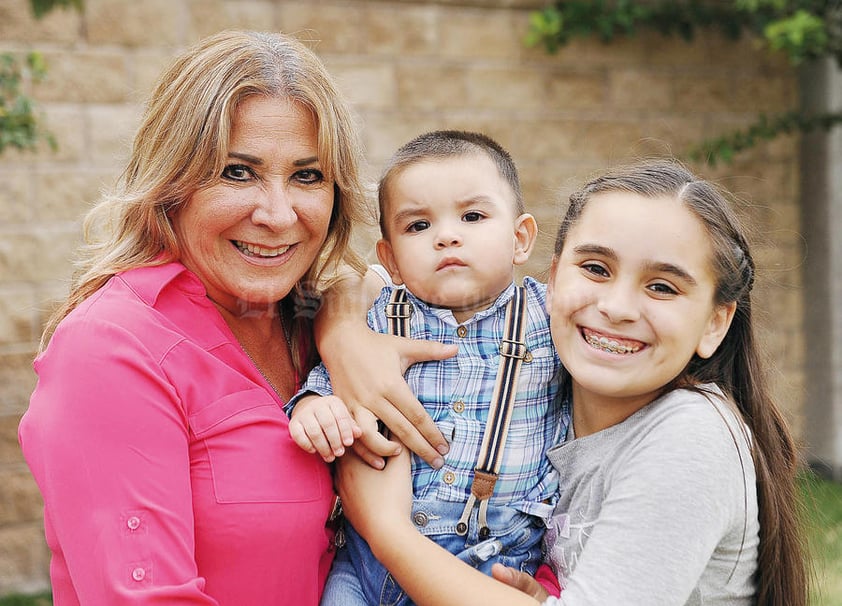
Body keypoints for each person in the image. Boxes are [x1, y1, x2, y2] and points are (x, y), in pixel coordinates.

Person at [17, 30, 453, 605]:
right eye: (237, 172)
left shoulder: (315, 319)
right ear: (172, 184)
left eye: (307, 176)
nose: (277, 214)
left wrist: (343, 326)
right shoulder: (110, 348)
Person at [335, 159, 809, 606]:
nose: (617, 307)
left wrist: (385, 529)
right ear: (554, 275)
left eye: (662, 286)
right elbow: (354, 280)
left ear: (715, 323)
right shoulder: (537, 387)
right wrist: (343, 337)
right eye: (596, 269)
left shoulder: (692, 435)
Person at [287, 130, 568, 605]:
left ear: (520, 239)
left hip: (493, 560)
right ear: (390, 259)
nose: (447, 235)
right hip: (367, 565)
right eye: (418, 226)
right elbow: (336, 376)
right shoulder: (376, 318)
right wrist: (314, 406)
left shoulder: (551, 319)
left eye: (473, 216)